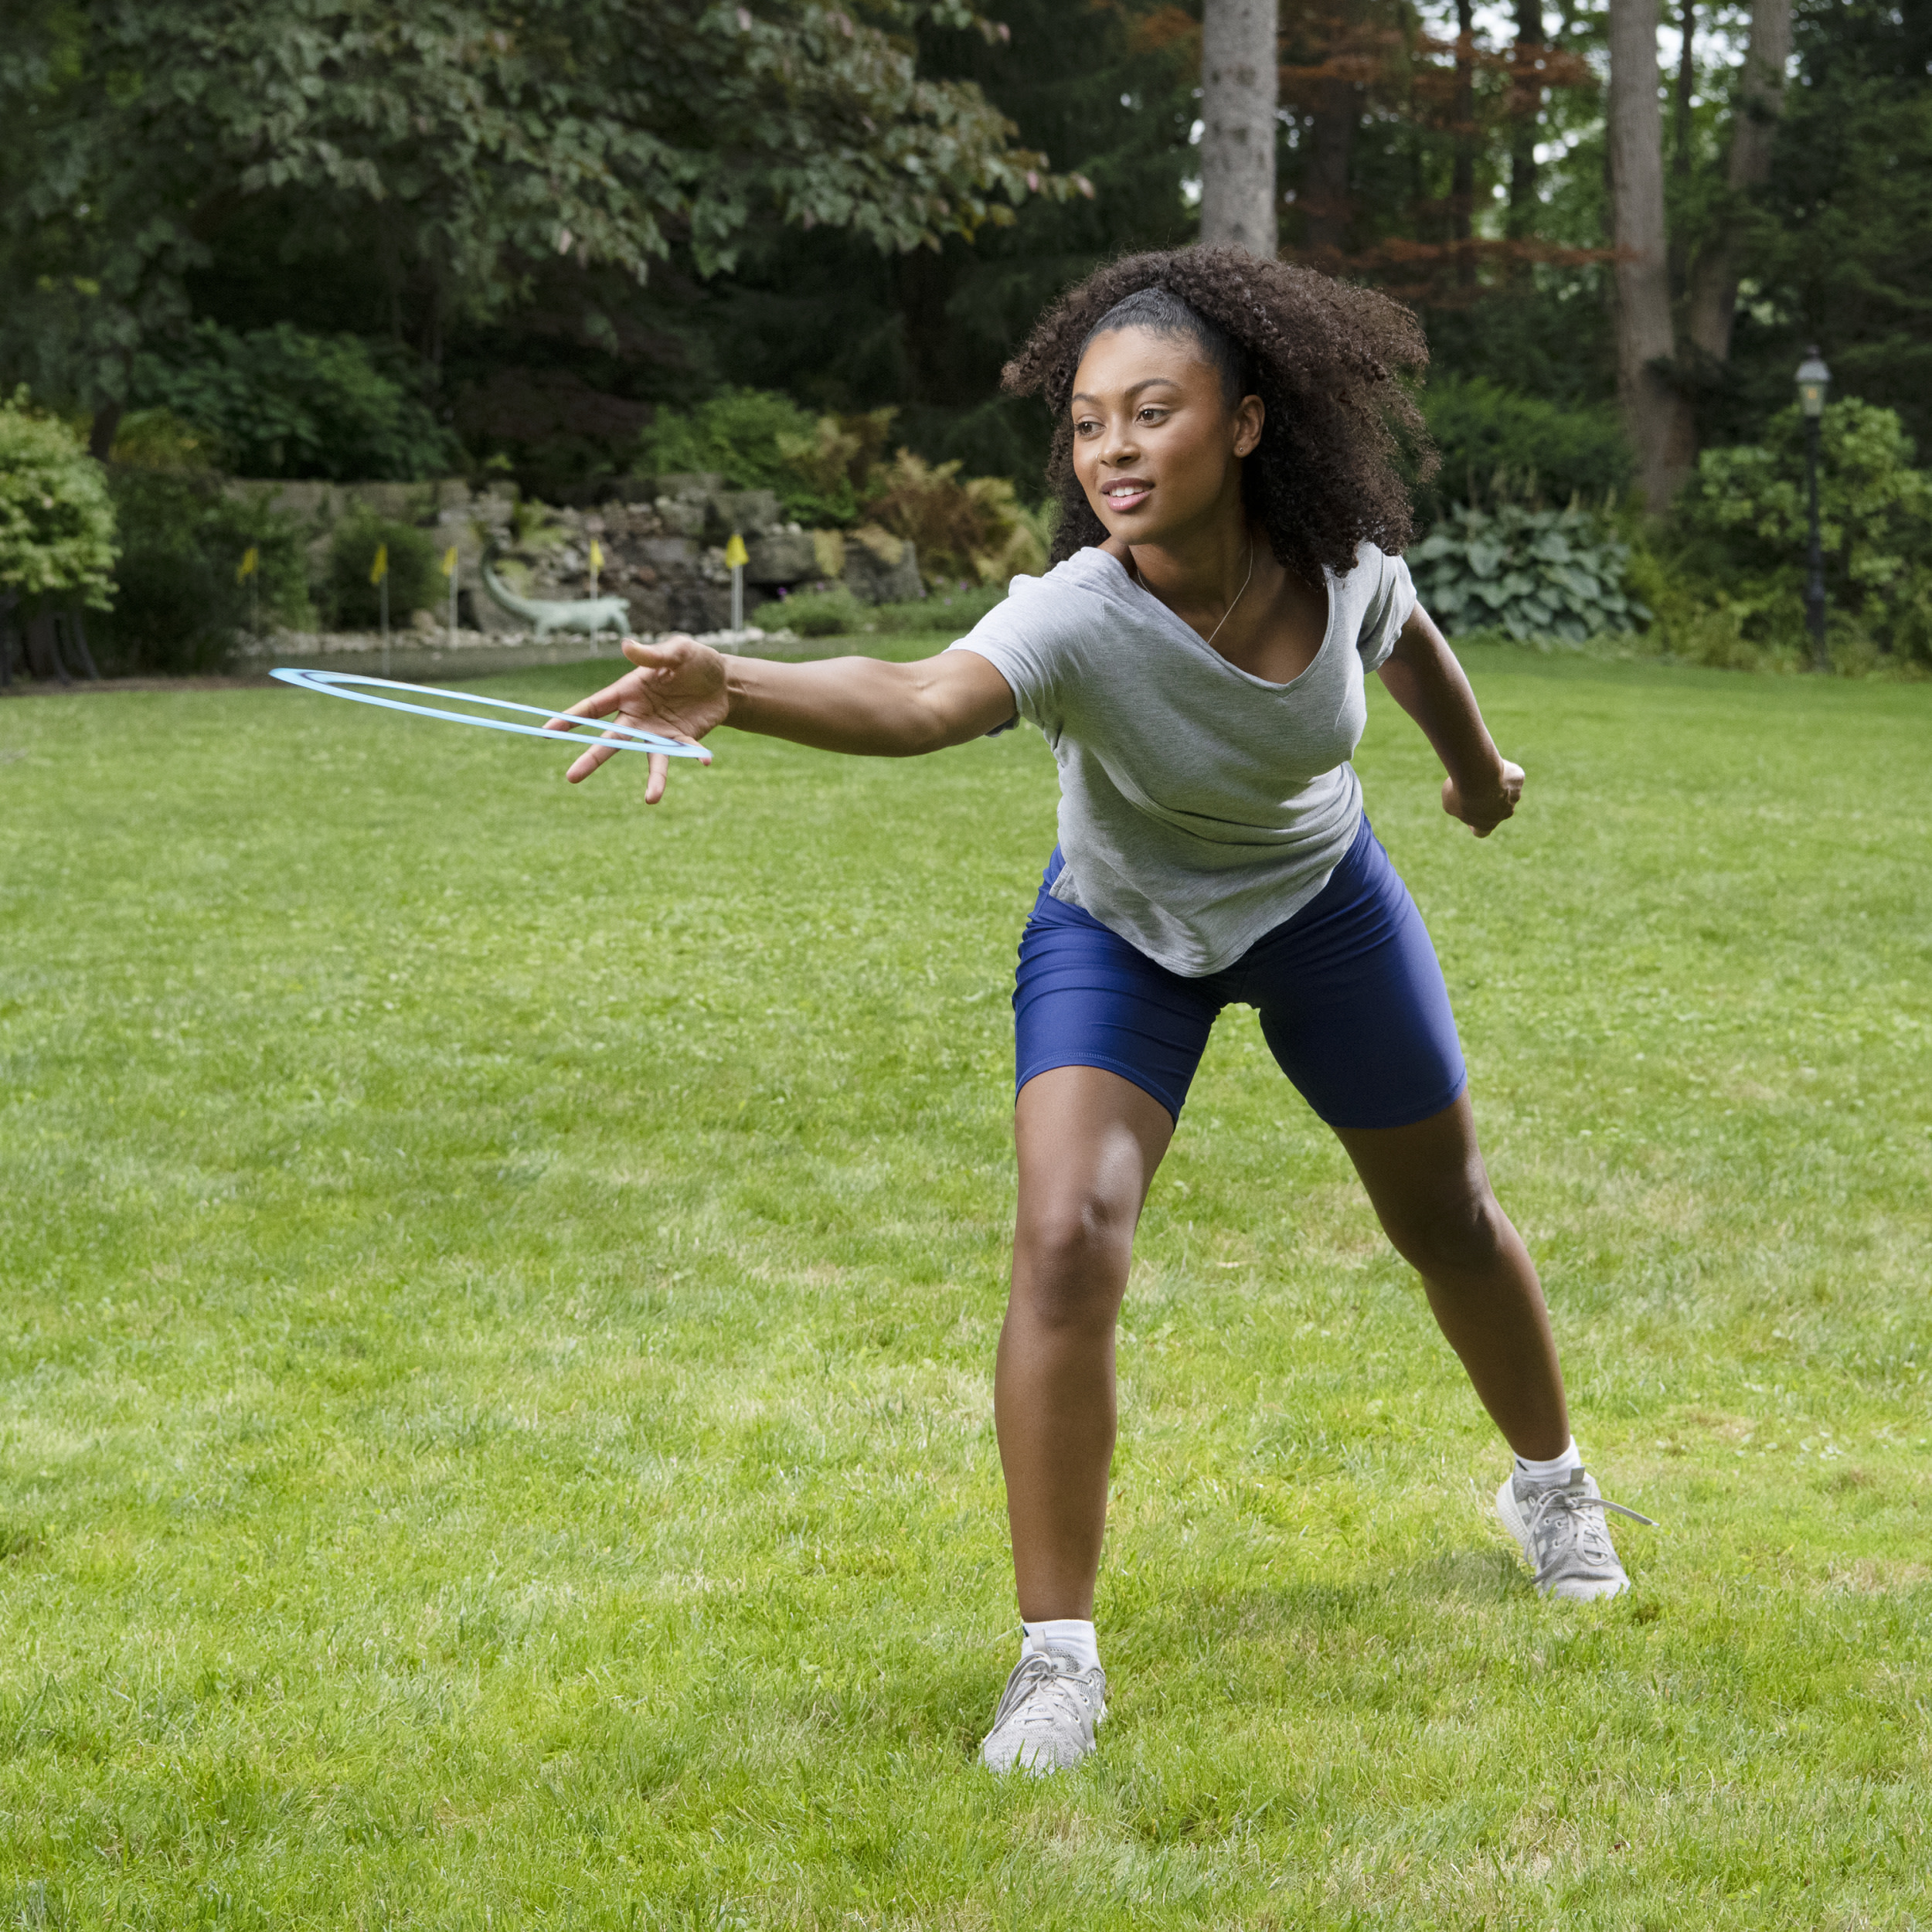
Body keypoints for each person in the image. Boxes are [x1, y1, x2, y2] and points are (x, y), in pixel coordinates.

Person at [553, 246, 1651, 1778]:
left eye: (1152, 412)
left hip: (1318, 901)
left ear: (1247, 424)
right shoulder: (1073, 614)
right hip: (1121, 930)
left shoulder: (1333, 561)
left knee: (1447, 1213)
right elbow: (923, 697)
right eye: (1086, 424)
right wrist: (742, 682)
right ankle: (1054, 1660)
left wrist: (1473, 776)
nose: (1113, 450)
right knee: (1065, 1228)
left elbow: (1405, 644)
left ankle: (1548, 1486)